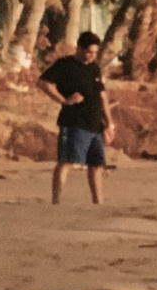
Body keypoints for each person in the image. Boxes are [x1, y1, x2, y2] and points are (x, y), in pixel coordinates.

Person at [40, 31, 114, 205]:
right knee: (67, 161)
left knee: (96, 164)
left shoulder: (94, 68)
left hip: (95, 123)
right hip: (74, 122)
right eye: (89, 51)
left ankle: (98, 202)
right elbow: (43, 83)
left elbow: (102, 95)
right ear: (79, 48)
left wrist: (109, 123)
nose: (92, 56)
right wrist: (64, 100)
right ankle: (56, 201)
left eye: (95, 52)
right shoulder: (65, 64)